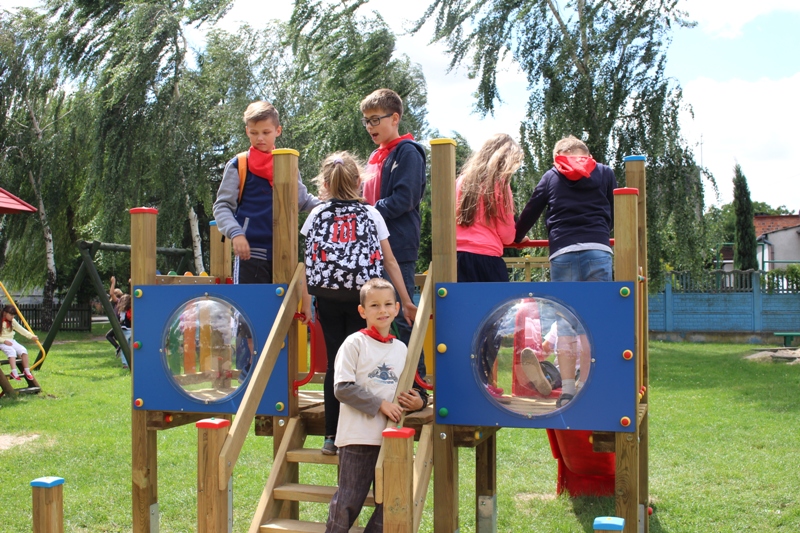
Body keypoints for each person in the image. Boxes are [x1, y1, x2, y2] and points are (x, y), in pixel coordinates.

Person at [299, 152, 419, 456]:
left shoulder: (316, 213)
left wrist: (305, 301)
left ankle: (331, 435)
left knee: (336, 364)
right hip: (363, 299)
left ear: (325, 184)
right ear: (358, 181)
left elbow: (307, 262)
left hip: (327, 296)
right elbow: (389, 261)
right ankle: (362, 432)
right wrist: (405, 300)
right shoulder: (371, 213)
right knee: (364, 362)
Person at [514, 135, 617, 406]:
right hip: (598, 248)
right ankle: (589, 385)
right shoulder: (605, 172)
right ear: (587, 154)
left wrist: (516, 236)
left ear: (558, 158)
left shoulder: (552, 176)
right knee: (593, 323)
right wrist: (600, 232)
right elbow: (613, 210)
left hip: (563, 252)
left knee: (566, 324)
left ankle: (568, 389)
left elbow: (531, 210)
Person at [325, 278, 423, 533]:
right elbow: (342, 388)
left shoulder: (401, 349)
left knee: (391, 502)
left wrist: (419, 401)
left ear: (397, 308)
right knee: (348, 501)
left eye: (388, 304)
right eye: (375, 305)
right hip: (358, 438)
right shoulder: (354, 343)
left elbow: (414, 387)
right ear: (362, 311)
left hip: (393, 439)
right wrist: (380, 404)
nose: (382, 310)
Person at [213, 100, 319, 284]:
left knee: (284, 302)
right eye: (254, 133)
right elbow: (222, 206)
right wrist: (235, 233)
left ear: (278, 131)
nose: (260, 138)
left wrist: (334, 204)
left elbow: (302, 200)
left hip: (284, 252)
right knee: (249, 302)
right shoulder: (239, 165)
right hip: (250, 252)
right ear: (247, 131)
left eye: (266, 132)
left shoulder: (286, 163)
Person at [360, 88, 426, 371]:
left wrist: (367, 213)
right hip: (371, 248)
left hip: (397, 246)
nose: (370, 126)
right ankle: (383, 379)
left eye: (376, 119)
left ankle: (416, 382)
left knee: (400, 313)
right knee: (376, 315)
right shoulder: (376, 156)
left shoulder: (407, 152)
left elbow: (404, 198)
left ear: (395, 118)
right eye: (366, 121)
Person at [455, 134, 524, 397]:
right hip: (487, 259)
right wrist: (517, 234)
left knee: (463, 323)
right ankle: (483, 383)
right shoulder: (499, 185)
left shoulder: (461, 181)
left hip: (458, 258)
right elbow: (507, 234)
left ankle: (463, 383)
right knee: (492, 324)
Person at [0, 305, 37, 381]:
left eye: (14, 315)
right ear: (5, 313)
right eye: (11, 315)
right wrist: (4, 341)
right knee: (12, 352)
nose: (12, 317)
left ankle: (27, 370)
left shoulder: (12, 321)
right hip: (2, 342)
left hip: (11, 340)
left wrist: (31, 336)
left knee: (23, 350)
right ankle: (14, 372)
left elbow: (21, 329)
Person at [106, 294, 131, 369]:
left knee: (124, 347)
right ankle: (131, 362)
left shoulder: (122, 310)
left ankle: (125, 363)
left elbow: (122, 319)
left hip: (124, 329)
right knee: (130, 347)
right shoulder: (131, 309)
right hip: (131, 330)